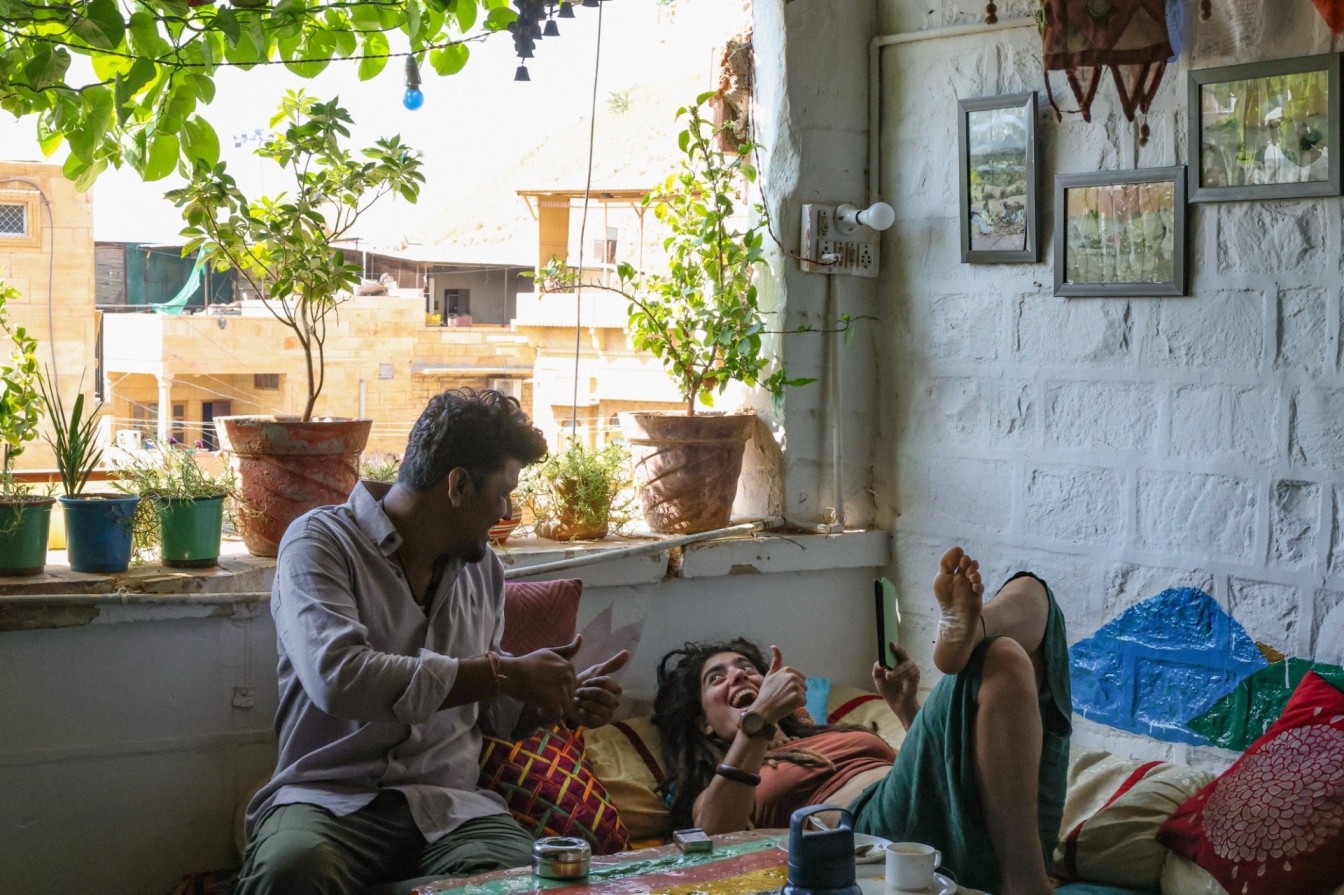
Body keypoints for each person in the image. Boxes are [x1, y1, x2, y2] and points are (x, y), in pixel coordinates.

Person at [236, 389, 630, 895]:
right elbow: (339, 677)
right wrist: (504, 672)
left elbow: (486, 714)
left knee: (524, 884)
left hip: (451, 811)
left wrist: (557, 701)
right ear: (459, 485)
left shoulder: (484, 569)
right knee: (291, 871)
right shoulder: (319, 543)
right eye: (502, 492)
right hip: (327, 801)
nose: (507, 510)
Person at [652, 547, 1071, 895]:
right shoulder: (726, 782)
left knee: (1033, 594)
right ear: (704, 724)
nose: (738, 675)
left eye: (745, 667)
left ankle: (972, 629)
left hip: (991, 817)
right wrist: (758, 720)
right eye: (717, 678)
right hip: (881, 838)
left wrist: (907, 709)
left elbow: (960, 763)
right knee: (999, 658)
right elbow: (715, 835)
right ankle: (1027, 883)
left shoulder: (831, 732)